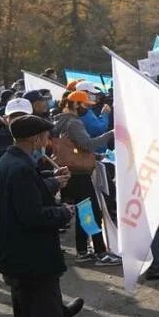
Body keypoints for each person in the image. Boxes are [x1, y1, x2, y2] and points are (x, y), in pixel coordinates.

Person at [0, 115, 85, 317]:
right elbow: (32, 215)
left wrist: (51, 183)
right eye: (45, 136)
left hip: (17, 259)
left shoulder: (8, 164)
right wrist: (64, 212)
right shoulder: (20, 169)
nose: (48, 142)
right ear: (34, 139)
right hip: (34, 260)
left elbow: (24, 196)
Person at [52, 90, 119, 265]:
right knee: (91, 212)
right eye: (84, 105)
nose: (87, 109)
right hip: (79, 175)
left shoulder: (60, 120)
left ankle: (82, 250)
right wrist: (111, 133)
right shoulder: (74, 123)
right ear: (75, 104)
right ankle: (100, 253)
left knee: (84, 211)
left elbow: (75, 148)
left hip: (70, 172)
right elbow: (87, 144)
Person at [0, 98, 34, 166]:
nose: (18, 120)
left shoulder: (35, 133)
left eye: (23, 116)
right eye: (14, 116)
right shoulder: (0, 137)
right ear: (5, 119)